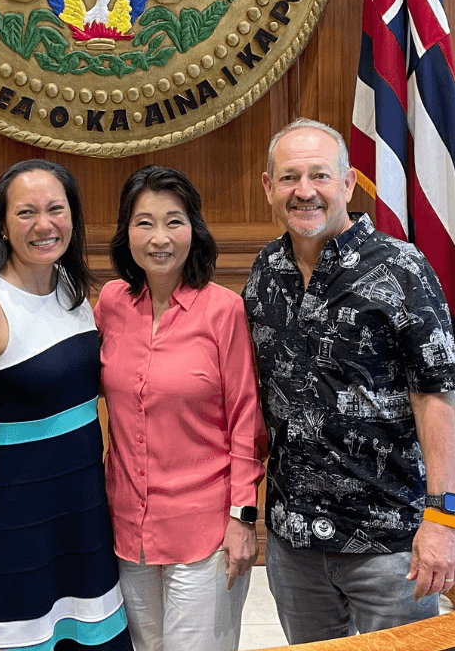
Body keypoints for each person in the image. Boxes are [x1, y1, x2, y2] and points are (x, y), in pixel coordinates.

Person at [243, 118, 455, 643]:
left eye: (319, 176)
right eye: (289, 177)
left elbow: (434, 398)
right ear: (268, 187)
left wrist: (444, 519)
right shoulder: (264, 271)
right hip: (293, 544)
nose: (304, 192)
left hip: (389, 544)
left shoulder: (402, 268)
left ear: (347, 184)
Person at [0, 159, 131, 651]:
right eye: (26, 212)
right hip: (16, 515)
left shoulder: (74, 288)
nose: (44, 224)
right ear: (1, 223)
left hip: (83, 506)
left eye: (56, 209)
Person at [94, 166, 267, 651]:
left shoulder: (223, 309)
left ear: (195, 228)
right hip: (128, 526)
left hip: (205, 527)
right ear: (126, 231)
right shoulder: (111, 302)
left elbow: (245, 422)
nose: (159, 238)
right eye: (144, 222)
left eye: (174, 221)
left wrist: (242, 518)